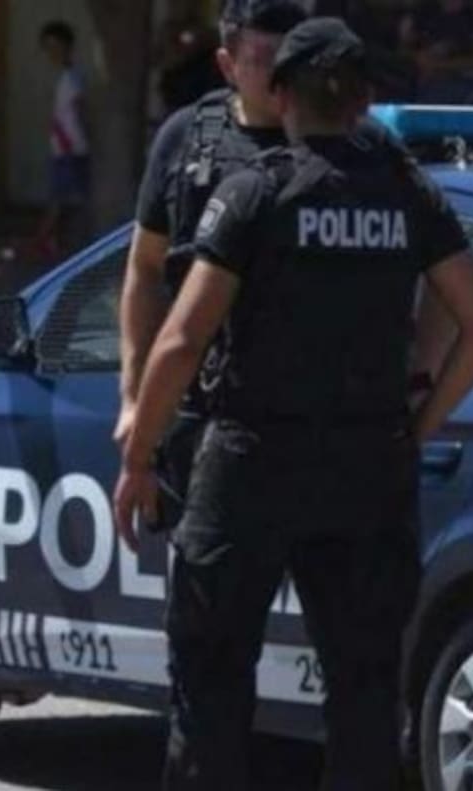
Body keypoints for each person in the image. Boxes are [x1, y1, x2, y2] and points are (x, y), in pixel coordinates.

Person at [112, 16, 473, 790]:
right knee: (363, 692)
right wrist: (415, 423)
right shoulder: (404, 188)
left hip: (252, 463)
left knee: (212, 686)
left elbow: (183, 338)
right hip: (367, 468)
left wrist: (138, 451)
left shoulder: (256, 191)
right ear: (362, 102)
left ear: (282, 95)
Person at [116, 0, 308, 531]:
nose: (281, 74)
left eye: (293, 57)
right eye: (263, 59)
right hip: (208, 416)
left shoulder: (341, 144)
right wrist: (134, 402)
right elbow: (144, 269)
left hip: (316, 424)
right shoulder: (186, 139)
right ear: (227, 65)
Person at [37, 20, 92, 258]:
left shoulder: (72, 77)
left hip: (71, 147)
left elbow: (78, 112)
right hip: (62, 146)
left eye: (55, 46)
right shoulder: (63, 77)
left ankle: (44, 240)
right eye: (47, 47)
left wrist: (74, 143)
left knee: (63, 199)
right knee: (61, 197)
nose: (51, 53)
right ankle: (50, 241)